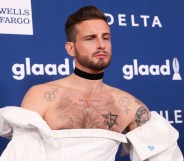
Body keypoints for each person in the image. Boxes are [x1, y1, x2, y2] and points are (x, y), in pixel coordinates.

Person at [0, 5, 183, 161]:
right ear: (70, 48)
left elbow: (165, 154)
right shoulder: (41, 95)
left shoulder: (126, 104)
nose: (101, 44)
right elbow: (23, 154)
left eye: (106, 37)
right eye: (90, 38)